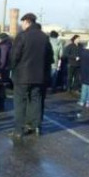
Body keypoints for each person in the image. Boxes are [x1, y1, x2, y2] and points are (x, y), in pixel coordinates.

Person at [9, 13, 52, 144]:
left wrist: (12, 68)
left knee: (20, 102)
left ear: (27, 21)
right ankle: (36, 126)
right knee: (36, 101)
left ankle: (18, 130)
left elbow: (14, 56)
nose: (21, 25)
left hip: (22, 75)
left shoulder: (22, 36)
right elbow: (49, 58)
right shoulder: (44, 38)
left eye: (22, 22)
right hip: (39, 76)